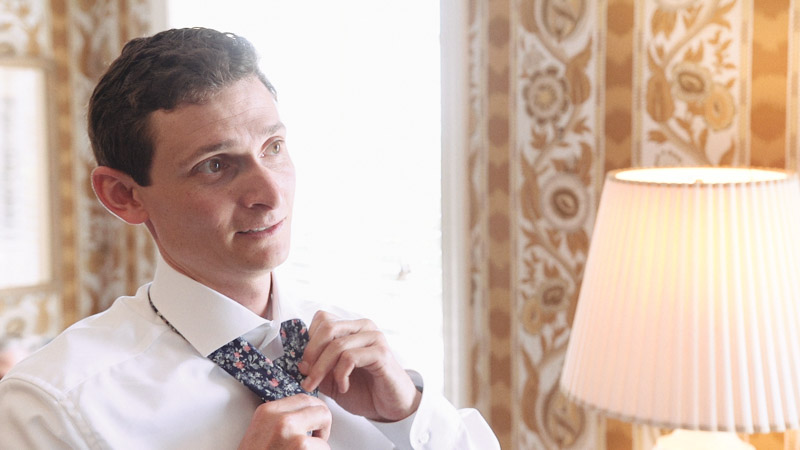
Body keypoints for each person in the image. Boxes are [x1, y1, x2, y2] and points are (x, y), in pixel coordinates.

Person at [0, 28, 499, 449]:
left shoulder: (356, 341)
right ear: (124, 195)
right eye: (215, 166)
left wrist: (408, 412)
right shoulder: (53, 403)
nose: (269, 191)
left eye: (274, 147)